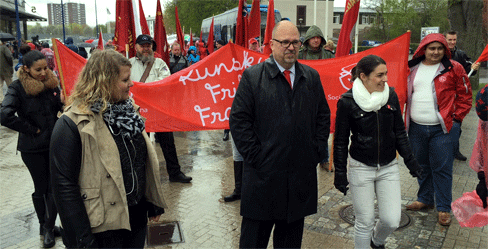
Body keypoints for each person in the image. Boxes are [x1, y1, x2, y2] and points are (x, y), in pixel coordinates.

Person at [50, 49, 167, 248]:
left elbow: (140, 161)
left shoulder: (130, 111)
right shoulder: (71, 124)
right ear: (104, 81)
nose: (131, 84)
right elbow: (64, 188)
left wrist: (151, 200)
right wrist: (83, 239)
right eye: (125, 79)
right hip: (101, 229)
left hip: (135, 218)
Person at [230, 21, 330, 248]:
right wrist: (256, 157)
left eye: (295, 42)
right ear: (272, 45)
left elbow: (323, 116)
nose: (291, 47)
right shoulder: (253, 77)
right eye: (285, 42)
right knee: (253, 243)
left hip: (298, 182)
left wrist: (314, 151)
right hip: (262, 181)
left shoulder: (311, 77)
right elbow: (239, 121)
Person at [333, 55, 422, 248]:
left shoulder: (390, 96)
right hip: (360, 168)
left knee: (391, 220)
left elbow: (399, 132)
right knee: (364, 222)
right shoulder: (347, 101)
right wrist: (340, 173)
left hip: (388, 167)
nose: (385, 79)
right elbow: (340, 141)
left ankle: (377, 241)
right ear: (363, 76)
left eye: (386, 74)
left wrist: (410, 160)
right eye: (379, 75)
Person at [405, 33, 472, 226]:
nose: (435, 52)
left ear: (445, 50)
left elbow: (465, 95)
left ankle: (443, 208)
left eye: (440, 48)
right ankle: (425, 199)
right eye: (431, 48)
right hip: (416, 128)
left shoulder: (454, 68)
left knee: (442, 169)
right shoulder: (412, 68)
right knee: (421, 166)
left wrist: (456, 119)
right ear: (423, 49)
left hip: (443, 129)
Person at [1, 50, 63, 248]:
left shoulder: (51, 84)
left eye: (46, 68)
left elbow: (57, 108)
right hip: (32, 147)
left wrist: (63, 106)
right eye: (38, 70)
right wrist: (31, 129)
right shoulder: (17, 87)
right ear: (26, 69)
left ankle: (49, 225)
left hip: (53, 143)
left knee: (54, 186)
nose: (44, 72)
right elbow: (5, 115)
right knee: (41, 187)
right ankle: (45, 227)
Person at [129, 34, 192, 183]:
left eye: (148, 46)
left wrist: (145, 89)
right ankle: (140, 177)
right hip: (138, 111)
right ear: (136, 47)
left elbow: (165, 81)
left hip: (158, 109)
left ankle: (175, 173)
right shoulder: (128, 64)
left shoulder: (160, 63)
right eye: (143, 46)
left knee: (168, 142)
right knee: (139, 144)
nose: (146, 49)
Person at [444, 30, 481, 161]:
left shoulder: (460, 54)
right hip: (443, 95)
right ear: (445, 39)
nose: (452, 42)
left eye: (454, 40)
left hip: (457, 96)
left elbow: (469, 69)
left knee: (456, 124)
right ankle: (442, 149)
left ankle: (455, 150)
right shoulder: (440, 54)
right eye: (450, 40)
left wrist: (474, 67)